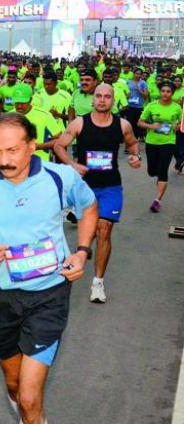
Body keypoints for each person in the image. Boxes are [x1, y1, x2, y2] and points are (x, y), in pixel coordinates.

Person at [0, 113, 98, 424]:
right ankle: (29, 419)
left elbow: (90, 207)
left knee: (28, 396)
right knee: (12, 385)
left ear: (32, 146)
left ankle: (30, 420)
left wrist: (81, 252)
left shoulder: (59, 178)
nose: (4, 161)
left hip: (48, 296)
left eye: (12, 151)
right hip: (0, 299)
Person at [53, 83, 141, 304]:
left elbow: (132, 144)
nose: (102, 100)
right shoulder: (79, 122)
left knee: (104, 228)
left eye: (107, 97)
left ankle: (98, 282)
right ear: (93, 99)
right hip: (84, 188)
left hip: (111, 185)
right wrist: (72, 164)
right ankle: (82, 250)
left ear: (113, 100)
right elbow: (59, 146)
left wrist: (135, 157)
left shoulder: (123, 125)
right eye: (98, 96)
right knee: (88, 229)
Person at [138, 81, 181, 213]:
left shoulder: (177, 108)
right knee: (152, 171)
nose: (165, 94)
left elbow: (180, 123)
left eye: (168, 92)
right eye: (163, 91)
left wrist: (177, 127)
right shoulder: (151, 106)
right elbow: (140, 122)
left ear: (172, 93)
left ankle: (157, 200)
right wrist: (151, 126)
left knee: (163, 170)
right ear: (160, 92)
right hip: (152, 141)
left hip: (168, 142)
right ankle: (157, 176)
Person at [13, 83, 64, 162]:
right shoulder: (8, 117)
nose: (19, 106)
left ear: (30, 100)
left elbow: (60, 139)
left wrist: (39, 146)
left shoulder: (44, 115)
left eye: (23, 103)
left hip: (40, 163)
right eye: (17, 102)